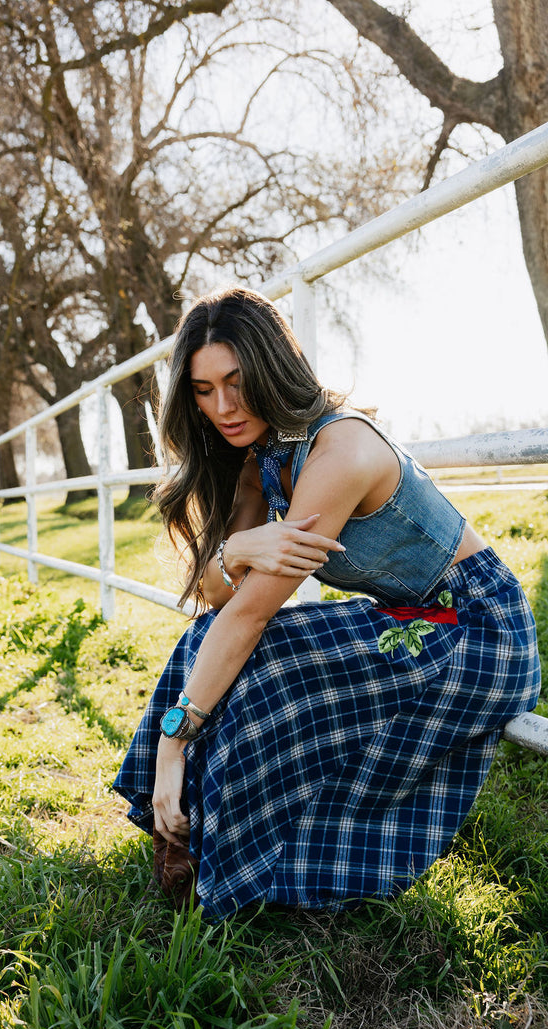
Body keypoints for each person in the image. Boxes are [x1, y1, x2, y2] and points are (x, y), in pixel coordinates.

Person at [113, 286, 540, 920]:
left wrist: (176, 741)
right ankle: (183, 830)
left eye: (236, 382)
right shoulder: (266, 460)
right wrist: (239, 548)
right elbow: (215, 594)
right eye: (203, 391)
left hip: (478, 631)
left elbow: (252, 611)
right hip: (411, 622)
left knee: (272, 669)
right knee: (208, 640)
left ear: (272, 369)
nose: (223, 407)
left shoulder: (339, 452)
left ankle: (235, 855)